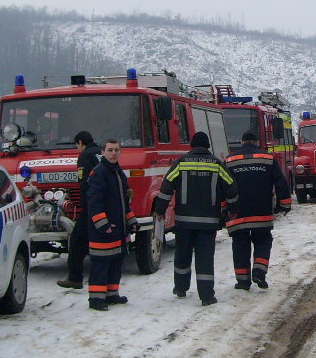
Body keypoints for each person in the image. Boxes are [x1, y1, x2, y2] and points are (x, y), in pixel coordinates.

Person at [153, 131, 238, 305]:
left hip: (184, 221)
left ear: (191, 145)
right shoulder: (217, 164)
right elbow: (231, 187)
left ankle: (180, 288)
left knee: (182, 255)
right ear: (208, 146)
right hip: (208, 222)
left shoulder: (181, 163)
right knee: (205, 258)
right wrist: (233, 209)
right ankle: (206, 296)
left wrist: (160, 210)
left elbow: (167, 186)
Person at [224, 131, 292, 290]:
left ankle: (243, 281)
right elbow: (280, 183)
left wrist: (223, 209)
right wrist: (285, 204)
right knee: (263, 240)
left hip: (237, 213)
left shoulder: (229, 161)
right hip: (262, 211)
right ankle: (259, 271)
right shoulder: (268, 158)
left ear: (241, 142)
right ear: (256, 143)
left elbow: (222, 186)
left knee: (240, 244)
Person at [85, 139, 137, 311]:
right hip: (102, 230)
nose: (113, 153)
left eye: (116, 150)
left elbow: (124, 203)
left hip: (117, 229)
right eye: (110, 150)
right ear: (103, 152)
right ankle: (96, 299)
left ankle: (112, 294)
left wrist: (131, 221)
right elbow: (94, 203)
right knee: (101, 264)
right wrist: (103, 225)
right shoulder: (99, 173)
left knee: (115, 262)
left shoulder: (118, 173)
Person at [58, 130, 102, 290]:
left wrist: (83, 205)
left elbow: (84, 183)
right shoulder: (100, 153)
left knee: (77, 241)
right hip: (105, 205)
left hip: (91, 206)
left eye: (77, 145)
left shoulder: (85, 156)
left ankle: (75, 277)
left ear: (80, 143)